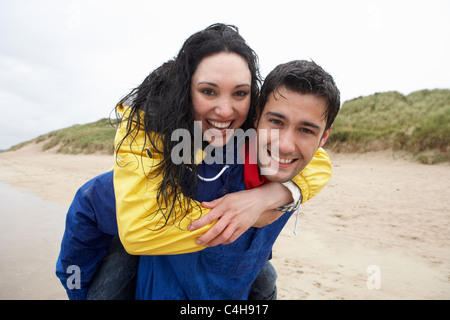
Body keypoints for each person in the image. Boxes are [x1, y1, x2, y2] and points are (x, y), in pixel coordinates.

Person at [55, 24, 335, 299]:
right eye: (208, 91)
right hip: (118, 244)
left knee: (264, 281)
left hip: (233, 273)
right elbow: (116, 217)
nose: (225, 110)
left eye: (239, 93)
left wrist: (275, 195)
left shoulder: (280, 152)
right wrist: (252, 217)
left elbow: (320, 163)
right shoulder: (161, 154)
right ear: (185, 91)